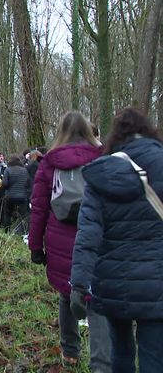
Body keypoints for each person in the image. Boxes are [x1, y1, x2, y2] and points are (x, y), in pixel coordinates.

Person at [71, 107, 163, 373]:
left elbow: (88, 234)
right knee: (154, 356)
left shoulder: (101, 172)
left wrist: (78, 283)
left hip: (112, 280)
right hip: (157, 282)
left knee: (120, 352)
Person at [28, 111, 111, 371]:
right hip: (96, 235)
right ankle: (101, 360)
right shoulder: (102, 159)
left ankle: (70, 352)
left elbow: (39, 207)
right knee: (96, 296)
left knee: (66, 294)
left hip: (58, 237)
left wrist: (35, 246)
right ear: (88, 131)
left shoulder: (49, 162)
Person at [2, 154, 30, 232]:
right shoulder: (24, 170)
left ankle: (6, 231)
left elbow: (4, 183)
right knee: (23, 215)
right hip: (22, 196)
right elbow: (28, 183)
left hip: (10, 196)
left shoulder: (8, 170)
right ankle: (21, 232)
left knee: (7, 214)